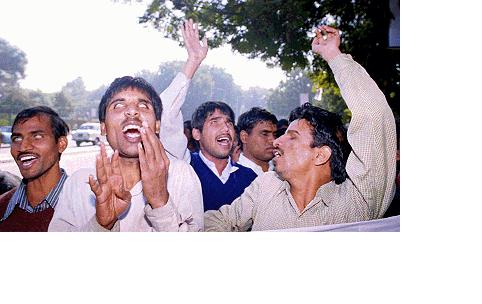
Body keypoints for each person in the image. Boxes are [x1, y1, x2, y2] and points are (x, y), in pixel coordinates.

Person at [204, 25, 397, 231]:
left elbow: (374, 115)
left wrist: (333, 54)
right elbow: (214, 222)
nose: (276, 141)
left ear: (321, 155)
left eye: (292, 137)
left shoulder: (358, 200)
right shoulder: (266, 187)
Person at [49, 20, 206, 232]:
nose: (132, 111)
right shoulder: (79, 184)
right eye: (119, 105)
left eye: (143, 105)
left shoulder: (181, 175)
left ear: (157, 125)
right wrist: (101, 224)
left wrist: (160, 203)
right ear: (103, 127)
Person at [0, 106, 69, 232]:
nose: (23, 146)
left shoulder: (90, 206)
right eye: (17, 138)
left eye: (37, 137)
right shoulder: (3, 206)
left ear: (61, 144)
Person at [236, 107, 278, 175]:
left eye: (275, 134)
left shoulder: (283, 171)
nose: (273, 140)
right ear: (244, 137)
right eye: (265, 134)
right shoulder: (232, 176)